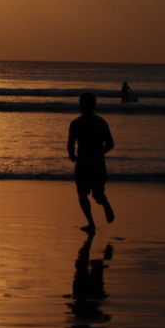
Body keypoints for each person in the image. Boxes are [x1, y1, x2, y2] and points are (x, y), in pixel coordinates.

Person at [67, 92, 115, 232]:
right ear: (94, 106)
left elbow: (70, 145)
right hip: (98, 163)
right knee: (98, 195)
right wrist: (99, 152)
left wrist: (72, 156)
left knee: (82, 194)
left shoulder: (76, 123)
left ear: (81, 105)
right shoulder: (101, 122)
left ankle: (91, 223)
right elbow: (110, 144)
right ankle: (105, 204)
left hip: (83, 163)